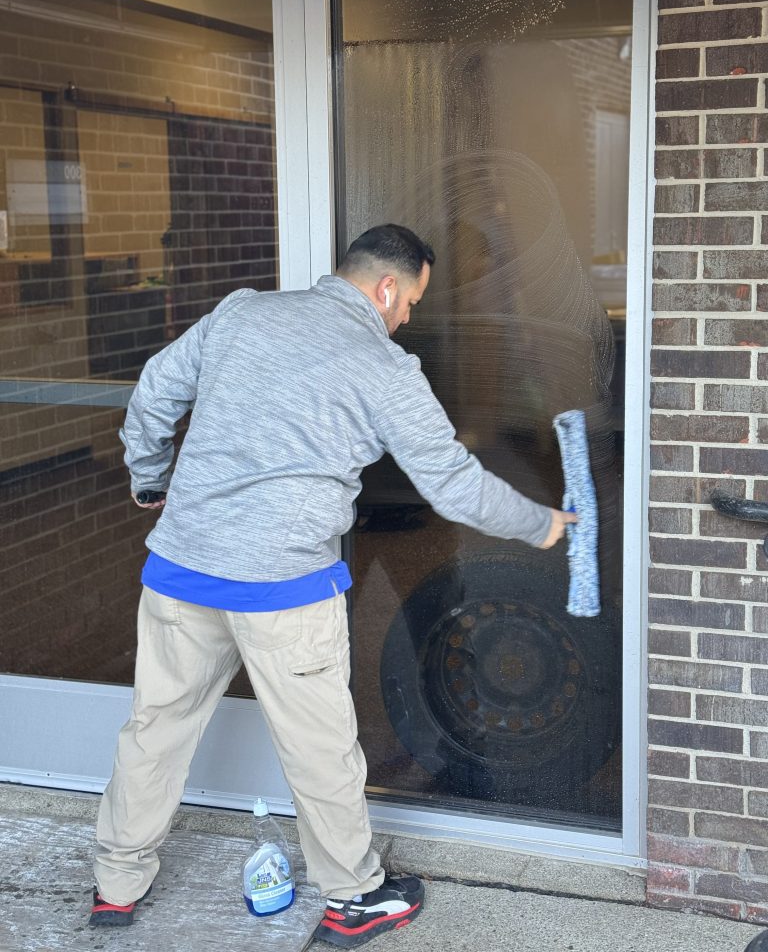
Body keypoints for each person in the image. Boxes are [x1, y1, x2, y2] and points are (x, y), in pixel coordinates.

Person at [89, 223, 577, 947]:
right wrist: (542, 524)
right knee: (320, 750)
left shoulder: (241, 312)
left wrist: (149, 478)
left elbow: (155, 392)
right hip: (283, 588)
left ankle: (116, 884)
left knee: (154, 731)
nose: (408, 316)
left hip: (181, 571)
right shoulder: (382, 366)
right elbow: (455, 487)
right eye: (410, 300)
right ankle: (354, 899)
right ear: (386, 287)